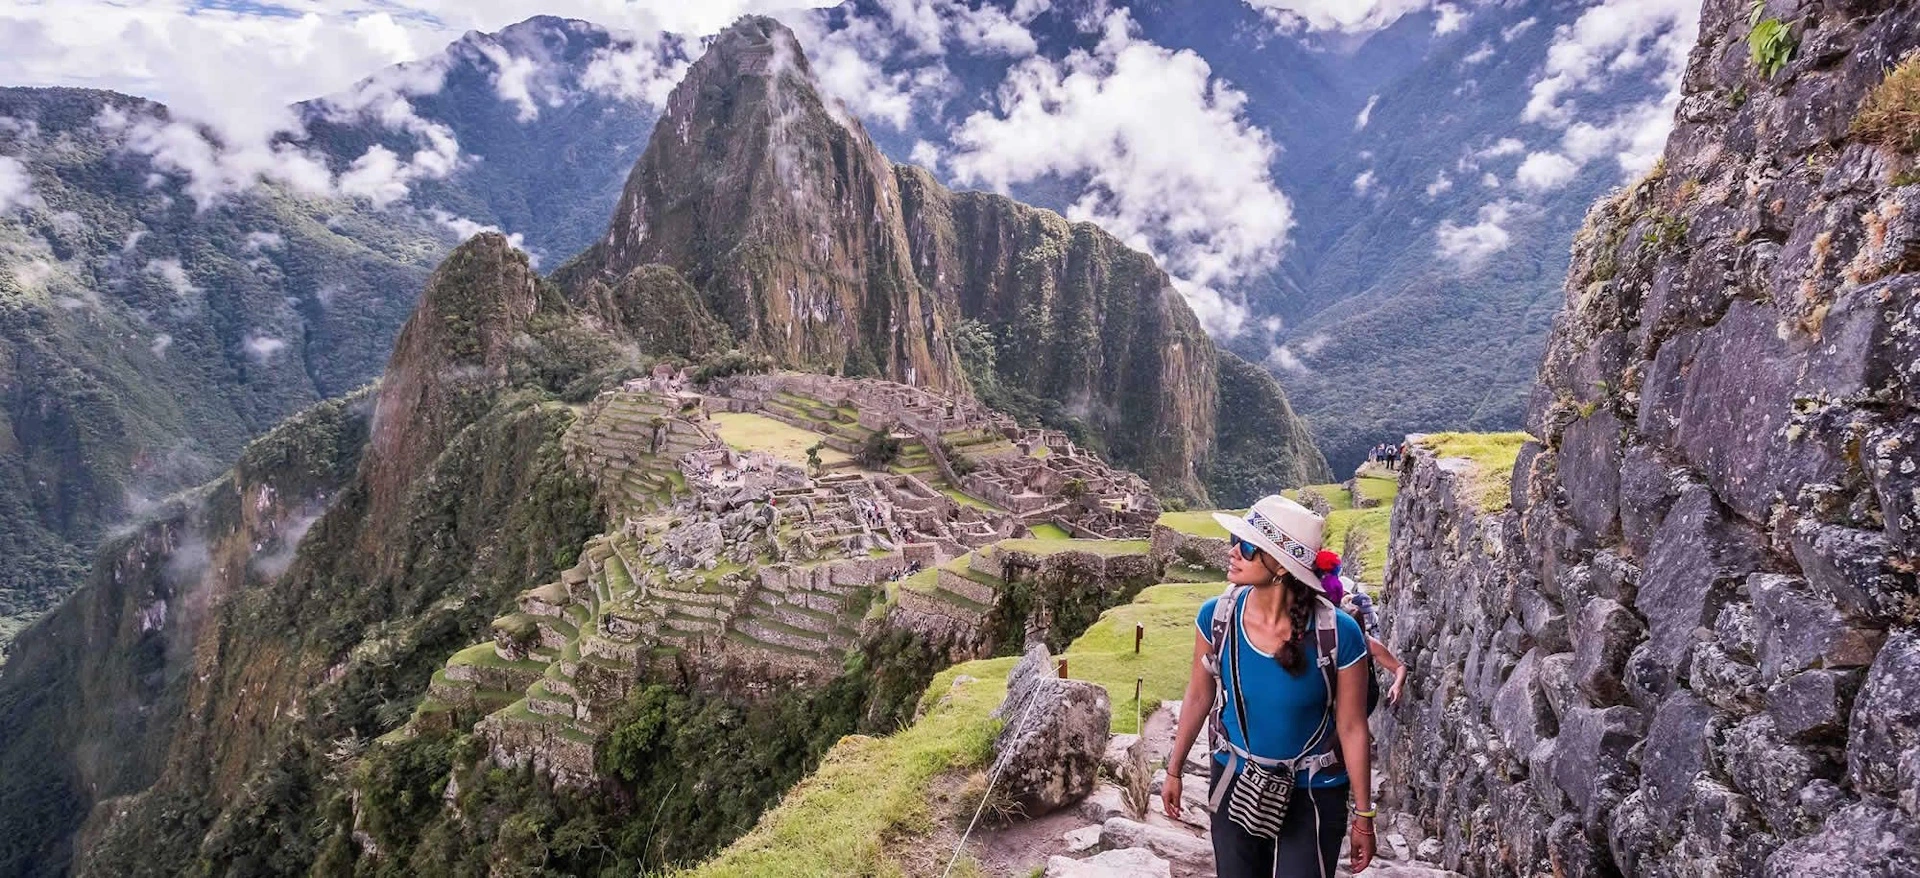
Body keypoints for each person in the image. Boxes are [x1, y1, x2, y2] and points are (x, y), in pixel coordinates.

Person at [1164, 496, 1376, 878]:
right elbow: (1199, 695)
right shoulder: (1216, 617)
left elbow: (1352, 725)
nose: (1232, 552)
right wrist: (1174, 769)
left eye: (1246, 546)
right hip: (1236, 778)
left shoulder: (1339, 633)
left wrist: (1364, 814)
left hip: (1314, 789)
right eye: (1235, 540)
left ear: (1280, 565)